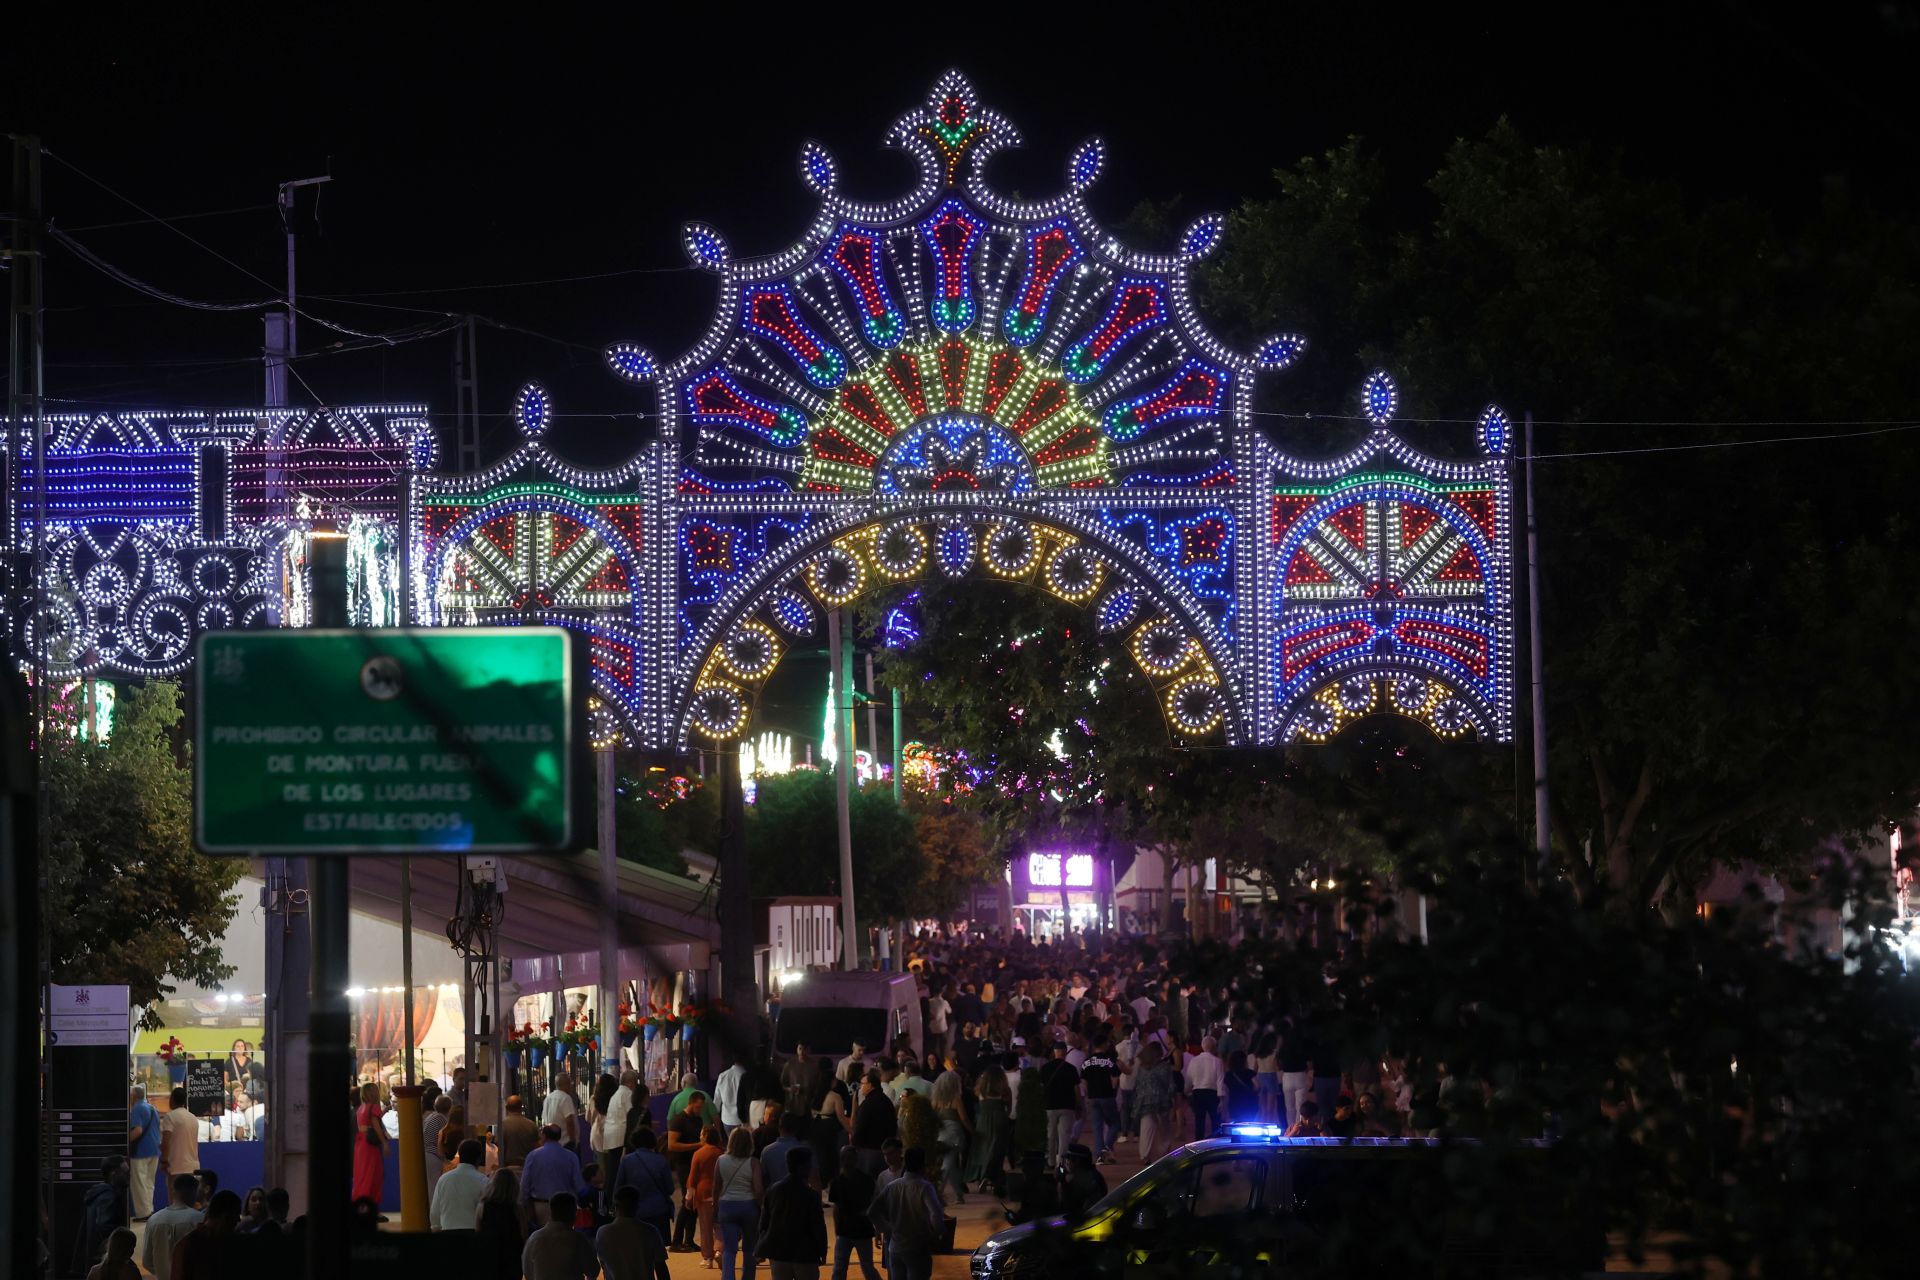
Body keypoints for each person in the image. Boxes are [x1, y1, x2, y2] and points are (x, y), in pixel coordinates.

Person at [867, 1147, 944, 1280]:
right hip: (917, 1247)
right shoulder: (925, 1187)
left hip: (895, 1247)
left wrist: (887, 1229)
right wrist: (937, 1233)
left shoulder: (892, 1186)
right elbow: (935, 1214)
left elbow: (872, 1212)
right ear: (922, 1164)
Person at [613, 1128, 677, 1280]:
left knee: (637, 1254)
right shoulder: (660, 1160)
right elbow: (669, 1189)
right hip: (658, 1213)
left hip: (634, 1213)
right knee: (659, 1258)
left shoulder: (627, 1161)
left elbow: (618, 1189)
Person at [756, 1145, 827, 1280]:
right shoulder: (810, 1195)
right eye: (809, 1164)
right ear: (802, 1167)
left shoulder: (773, 1191)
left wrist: (763, 1244)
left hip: (778, 1252)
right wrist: (822, 1249)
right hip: (804, 1253)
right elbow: (818, 1225)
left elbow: (764, 1222)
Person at [714, 1125, 764, 1280]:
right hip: (749, 1207)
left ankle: (728, 1277)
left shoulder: (721, 1160)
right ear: (749, 1143)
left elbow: (716, 1188)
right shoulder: (753, 1162)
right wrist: (762, 1207)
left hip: (727, 1207)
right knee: (749, 1249)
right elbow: (758, 1189)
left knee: (729, 1249)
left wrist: (715, 1209)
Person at [826, 1145, 881, 1280]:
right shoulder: (866, 1180)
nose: (847, 1161)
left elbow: (836, 1209)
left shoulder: (837, 1182)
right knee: (866, 1267)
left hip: (851, 1230)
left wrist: (837, 1229)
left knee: (841, 1268)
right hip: (858, 1230)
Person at [72, 1155, 129, 1275]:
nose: (128, 1176)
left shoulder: (98, 1194)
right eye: (125, 1172)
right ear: (114, 1174)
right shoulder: (108, 1197)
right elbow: (104, 1228)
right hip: (105, 1264)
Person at [522, 1190, 598, 1280]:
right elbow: (593, 1271)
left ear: (551, 1213)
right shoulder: (577, 1239)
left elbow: (527, 1272)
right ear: (573, 1214)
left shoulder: (534, 1238)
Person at [598, 1184, 668, 1280]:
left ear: (615, 1207)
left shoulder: (603, 1233)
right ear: (637, 1206)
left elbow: (603, 1263)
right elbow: (661, 1268)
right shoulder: (650, 1231)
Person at [667, 1090, 709, 1249]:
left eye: (701, 1107)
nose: (699, 1110)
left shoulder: (697, 1120)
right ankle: (677, 1240)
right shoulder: (678, 1120)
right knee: (688, 1200)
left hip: (695, 1163)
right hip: (683, 1165)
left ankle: (689, 1240)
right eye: (697, 1107)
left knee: (694, 1201)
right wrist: (697, 1146)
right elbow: (672, 1145)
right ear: (690, 1103)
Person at [141, 1173, 203, 1280]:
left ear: (173, 1191)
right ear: (195, 1193)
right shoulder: (199, 1219)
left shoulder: (154, 1220)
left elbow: (147, 1261)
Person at [170, 1189, 240, 1280]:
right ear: (225, 1217)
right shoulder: (189, 1245)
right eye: (236, 1215)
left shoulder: (185, 1244)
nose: (238, 1220)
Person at [963, 1064, 1011, 1194]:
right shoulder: (1005, 1090)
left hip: (984, 1120)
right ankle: (996, 1182)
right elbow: (1009, 1108)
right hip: (1000, 1118)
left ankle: (983, 1175)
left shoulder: (981, 1089)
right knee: (998, 1151)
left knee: (983, 1150)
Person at [524, 1123, 581, 1226]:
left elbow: (525, 1184)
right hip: (565, 1207)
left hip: (540, 1206)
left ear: (544, 1136)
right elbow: (578, 1184)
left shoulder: (533, 1156)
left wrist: (525, 1205)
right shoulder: (571, 1157)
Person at [477, 1168, 529, 1280]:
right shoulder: (517, 1209)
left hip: (490, 1259)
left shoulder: (483, 1207)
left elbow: (478, 1233)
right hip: (512, 1260)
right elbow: (524, 1235)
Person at [1132, 1043, 1180, 1163]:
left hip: (1144, 1101)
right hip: (1161, 1101)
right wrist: (1173, 1099)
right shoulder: (1164, 1067)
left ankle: (1145, 1155)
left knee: (1146, 1129)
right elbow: (1170, 1086)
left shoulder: (1141, 1067)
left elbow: (1138, 1084)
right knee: (1165, 1128)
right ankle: (1163, 1153)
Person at [1037, 1040, 1081, 1169]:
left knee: (1050, 1134)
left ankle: (1050, 1161)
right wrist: (1079, 1105)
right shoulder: (1071, 1069)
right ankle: (1061, 1163)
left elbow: (1040, 1087)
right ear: (1065, 1053)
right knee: (1064, 1135)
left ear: (1054, 1053)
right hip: (1067, 1106)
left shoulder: (1045, 1068)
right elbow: (1076, 1090)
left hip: (1049, 1105)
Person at [929, 1070, 971, 1205]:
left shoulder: (936, 1100)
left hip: (941, 1133)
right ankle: (938, 1194)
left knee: (950, 1165)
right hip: (954, 1133)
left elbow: (932, 1116)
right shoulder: (956, 1098)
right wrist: (973, 1131)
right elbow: (963, 1118)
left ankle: (959, 1195)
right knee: (948, 1165)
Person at [433, 1138, 491, 1231]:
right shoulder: (484, 1181)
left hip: (448, 1233)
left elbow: (435, 1213)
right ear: (479, 1159)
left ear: (459, 1155)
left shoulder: (443, 1179)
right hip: (473, 1235)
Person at [1080, 1038, 1120, 1162]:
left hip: (1093, 1097)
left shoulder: (1086, 1061)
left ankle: (1099, 1155)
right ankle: (1107, 1147)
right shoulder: (1110, 1060)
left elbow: (1083, 1081)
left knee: (1097, 1127)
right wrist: (1113, 1092)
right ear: (1103, 1044)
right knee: (1115, 1123)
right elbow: (1115, 1078)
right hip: (1107, 1096)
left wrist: (1088, 1094)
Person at [690, 1122, 724, 1266]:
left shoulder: (698, 1154)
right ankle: (720, 1251)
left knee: (705, 1227)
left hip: (703, 1194)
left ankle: (708, 1258)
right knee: (720, 1225)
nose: (700, 1136)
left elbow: (693, 1177)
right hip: (720, 1194)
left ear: (706, 1136)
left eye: (701, 1134)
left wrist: (688, 1196)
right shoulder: (722, 1153)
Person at [850, 1071, 895, 1175]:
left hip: (869, 1151)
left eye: (862, 1084)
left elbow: (860, 1126)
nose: (861, 1087)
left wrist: (854, 1143)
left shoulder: (867, 1104)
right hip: (885, 1149)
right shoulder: (886, 1101)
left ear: (870, 1085)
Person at [127, 1085, 161, 1219]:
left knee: (138, 1182)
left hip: (140, 1151)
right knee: (149, 1182)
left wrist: (126, 1140)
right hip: (154, 1149)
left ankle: (143, 1213)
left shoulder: (137, 1109)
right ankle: (149, 1209)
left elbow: (138, 1130)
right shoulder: (153, 1108)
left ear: (133, 1097)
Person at [1182, 1035, 1224, 1139]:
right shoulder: (1217, 1061)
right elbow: (1220, 1081)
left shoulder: (1194, 1060)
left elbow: (1189, 1078)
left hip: (1198, 1093)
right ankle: (1215, 1145)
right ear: (1214, 1047)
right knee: (1215, 1122)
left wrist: (1187, 1091)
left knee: (1199, 1123)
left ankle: (1199, 1146)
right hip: (1212, 1093)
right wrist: (1221, 1099)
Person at [1059, 1144, 1107, 1221]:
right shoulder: (1087, 1175)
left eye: (1069, 1159)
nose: (1066, 1163)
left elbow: (1070, 1207)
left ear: (1078, 1161)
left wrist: (1064, 1183)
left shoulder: (1087, 1180)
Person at [759, 1111, 806, 1186]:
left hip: (775, 1195)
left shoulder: (767, 1151)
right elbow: (814, 1179)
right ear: (797, 1129)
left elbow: (763, 1178)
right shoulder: (806, 1151)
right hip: (799, 1195)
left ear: (779, 1128)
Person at [423, 1093, 454, 1196]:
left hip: (428, 1154)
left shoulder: (432, 1116)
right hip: (433, 1155)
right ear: (450, 1107)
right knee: (435, 1187)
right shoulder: (442, 1119)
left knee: (431, 1186)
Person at [501, 1094, 542, 1169]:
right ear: (521, 1107)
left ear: (506, 1108)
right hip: (528, 1166)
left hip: (509, 1168)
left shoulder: (502, 1126)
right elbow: (537, 1148)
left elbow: (500, 1149)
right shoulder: (531, 1125)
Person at [1223, 1051, 1260, 1125]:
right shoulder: (1250, 1073)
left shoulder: (1228, 1075)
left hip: (1234, 1103)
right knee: (1249, 1123)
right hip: (1250, 1102)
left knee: (1237, 1124)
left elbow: (1225, 1091)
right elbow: (1257, 1086)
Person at [714, 1053, 749, 1130]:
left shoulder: (722, 1076)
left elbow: (717, 1099)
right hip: (742, 1119)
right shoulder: (746, 1076)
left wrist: (715, 1113)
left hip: (727, 1119)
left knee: (731, 1141)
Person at [780, 1044, 816, 1120]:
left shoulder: (814, 1066)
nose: (802, 1052)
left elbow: (817, 1085)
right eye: (800, 1049)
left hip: (807, 1106)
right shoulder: (789, 1064)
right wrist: (790, 1089)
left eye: (804, 1049)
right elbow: (782, 1083)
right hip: (792, 1105)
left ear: (809, 1050)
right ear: (797, 1049)